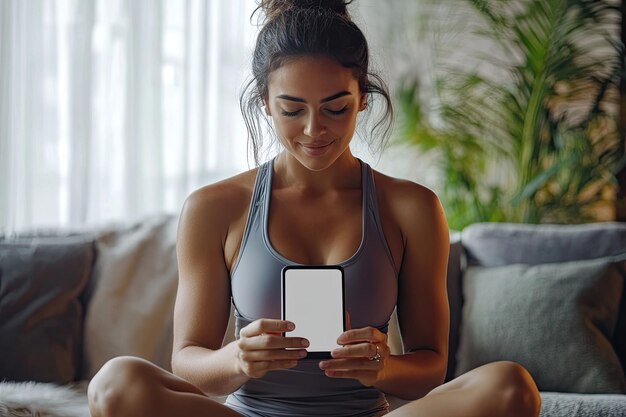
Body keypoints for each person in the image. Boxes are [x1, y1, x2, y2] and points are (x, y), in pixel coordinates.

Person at [87, 1, 542, 416]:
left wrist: (382, 368)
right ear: (264, 102)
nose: (313, 130)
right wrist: (238, 358)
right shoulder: (214, 207)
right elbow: (188, 362)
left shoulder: (413, 207)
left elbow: (430, 365)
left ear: (362, 97)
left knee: (511, 387)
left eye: (336, 108)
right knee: (115, 385)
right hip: (253, 414)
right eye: (291, 110)